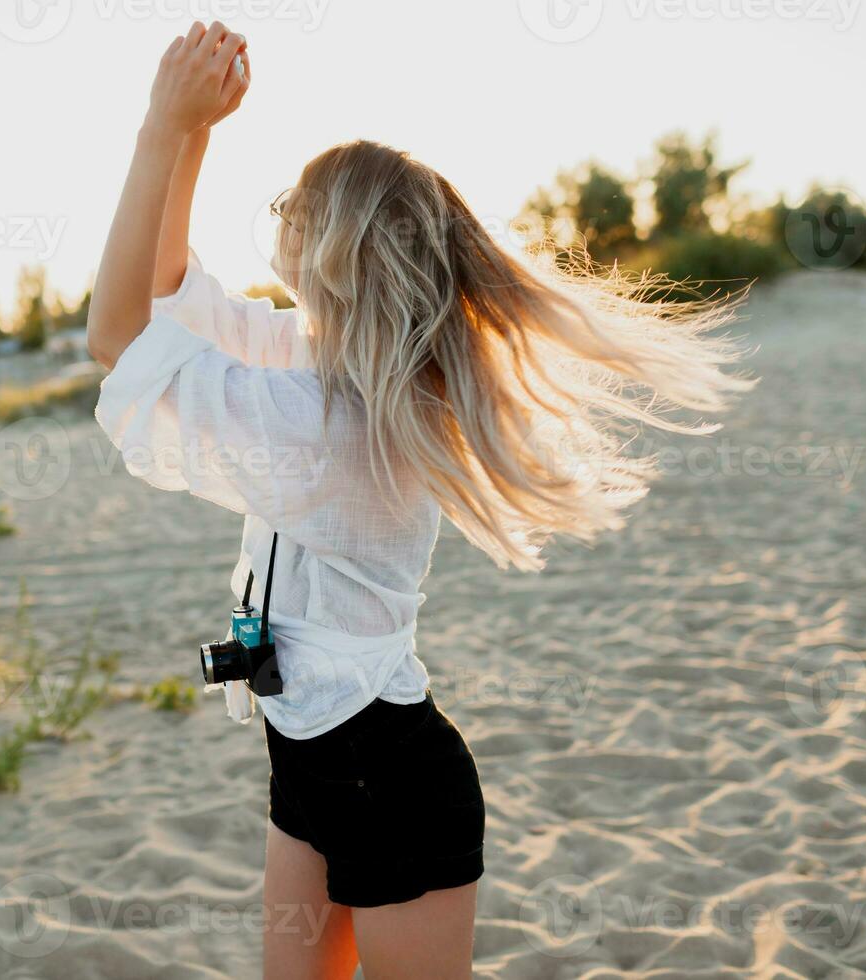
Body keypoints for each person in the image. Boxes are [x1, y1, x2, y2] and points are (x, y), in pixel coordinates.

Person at [86, 22, 750, 979]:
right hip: (308, 756)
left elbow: (118, 334)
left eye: (292, 203)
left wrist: (160, 124)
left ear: (335, 245)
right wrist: (197, 134)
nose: (276, 215)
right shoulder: (324, 363)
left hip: (389, 774)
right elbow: (167, 295)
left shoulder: (323, 416)